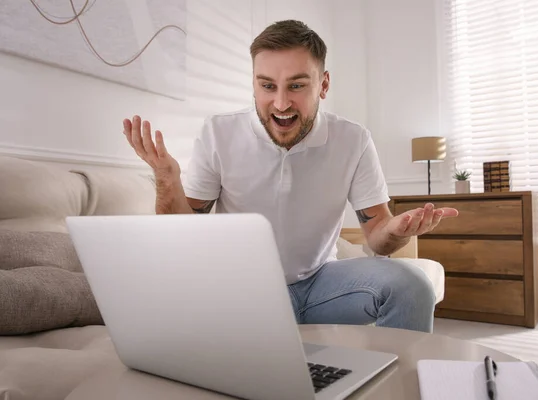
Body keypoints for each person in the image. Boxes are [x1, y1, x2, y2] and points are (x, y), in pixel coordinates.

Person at [122, 19, 458, 333]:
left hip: (320, 283)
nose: (281, 103)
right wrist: (167, 178)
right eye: (267, 86)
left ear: (323, 85)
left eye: (296, 85)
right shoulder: (218, 133)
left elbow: (377, 236)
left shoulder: (353, 140)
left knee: (412, 286)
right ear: (253, 85)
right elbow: (183, 232)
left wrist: (396, 231)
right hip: (246, 291)